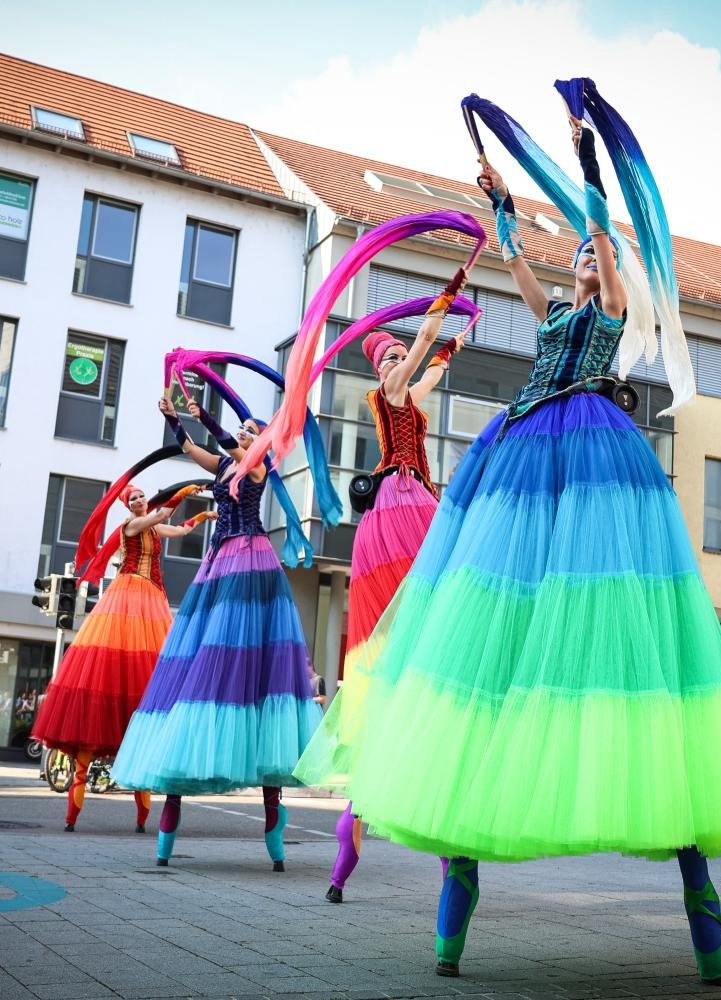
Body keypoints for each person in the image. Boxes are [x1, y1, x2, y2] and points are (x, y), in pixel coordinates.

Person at [296, 122, 721, 985]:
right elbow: (517, 265)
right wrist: (498, 203)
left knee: (604, 615)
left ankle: (707, 930)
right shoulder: (556, 312)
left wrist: (588, 163)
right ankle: (451, 930)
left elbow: (596, 234)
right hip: (520, 461)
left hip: (591, 460)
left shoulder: (610, 314)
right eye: (582, 261)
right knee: (493, 627)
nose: (582, 266)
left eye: (594, 260)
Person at [306, 281, 469, 904]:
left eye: (403, 353)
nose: (404, 358)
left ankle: (338, 880)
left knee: (422, 606)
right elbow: (420, 352)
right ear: (382, 366)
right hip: (401, 500)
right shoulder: (388, 388)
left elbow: (432, 372)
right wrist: (446, 300)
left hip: (412, 498)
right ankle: (341, 875)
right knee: (418, 589)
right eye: (393, 354)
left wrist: (452, 345)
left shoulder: (410, 394)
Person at [112, 399, 323, 870]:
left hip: (249, 563)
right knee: (202, 665)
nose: (243, 433)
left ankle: (273, 824)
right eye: (242, 429)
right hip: (218, 567)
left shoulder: (256, 469)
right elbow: (188, 447)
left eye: (251, 431)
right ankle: (170, 827)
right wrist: (173, 413)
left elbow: (241, 445)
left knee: (252, 665)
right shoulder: (226, 463)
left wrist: (218, 420)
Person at [33, 483, 204, 831]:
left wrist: (204, 514)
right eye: (133, 498)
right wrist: (185, 491)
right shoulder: (130, 526)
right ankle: (73, 815)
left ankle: (141, 817)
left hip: (151, 598)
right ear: (130, 506)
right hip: (129, 596)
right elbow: (163, 514)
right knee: (118, 666)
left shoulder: (152, 526)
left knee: (144, 671)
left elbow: (179, 528)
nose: (139, 500)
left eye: (141, 495)